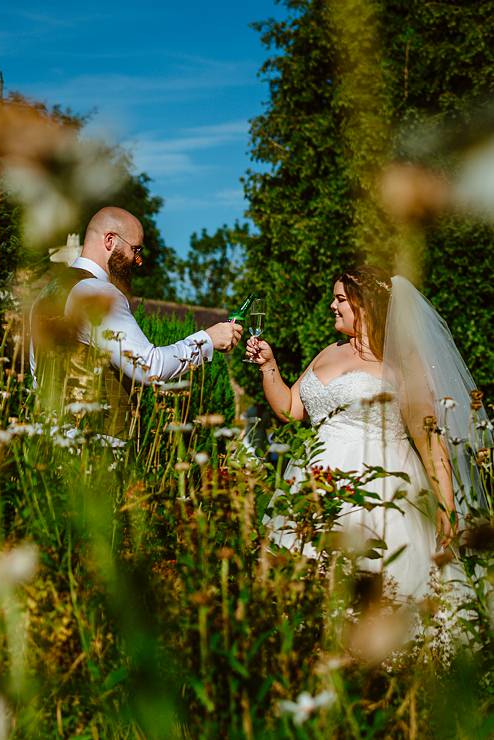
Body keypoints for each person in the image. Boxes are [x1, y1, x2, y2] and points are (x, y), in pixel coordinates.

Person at [248, 266, 490, 600]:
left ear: (365, 305)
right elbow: (290, 409)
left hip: (382, 489)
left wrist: (447, 504)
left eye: (341, 299)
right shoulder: (329, 352)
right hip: (314, 483)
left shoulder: (401, 361)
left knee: (376, 589)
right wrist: (268, 365)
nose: (333, 306)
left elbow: (429, 436)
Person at [29, 207, 242, 438]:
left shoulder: (47, 294)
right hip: (96, 449)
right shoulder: (97, 293)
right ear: (110, 240)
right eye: (136, 249)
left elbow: (36, 373)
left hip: (49, 443)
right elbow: (150, 367)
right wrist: (208, 340)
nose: (138, 261)